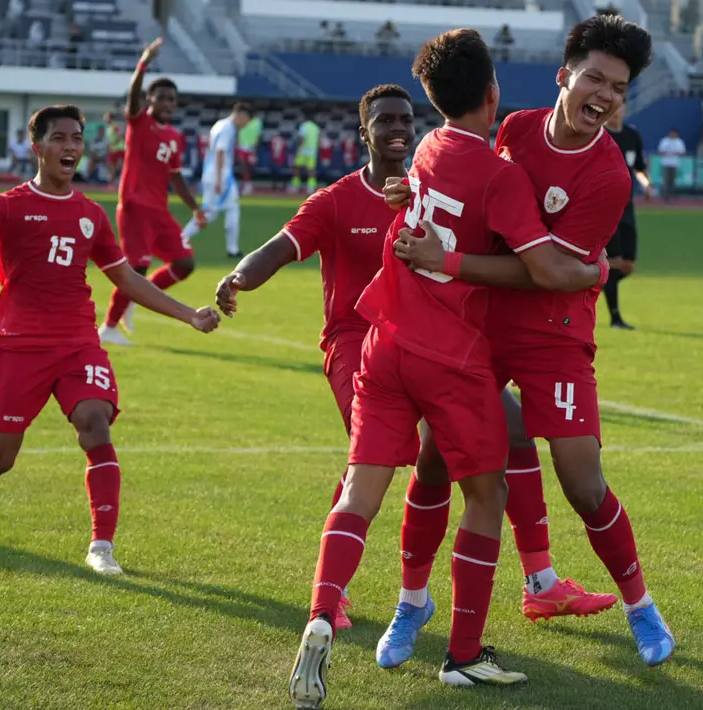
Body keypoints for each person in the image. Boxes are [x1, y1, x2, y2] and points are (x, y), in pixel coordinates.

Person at [288, 29, 607, 708]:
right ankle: (462, 655)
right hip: (451, 356)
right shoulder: (499, 174)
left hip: (384, 342)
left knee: (360, 493)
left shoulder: (426, 149)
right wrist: (593, 268)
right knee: (486, 497)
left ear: (430, 101)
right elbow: (543, 268)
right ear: (492, 93)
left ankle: (321, 611)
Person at [389, 15, 674, 669]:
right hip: (483, 327)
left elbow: (544, 276)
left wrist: (448, 261)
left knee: (583, 484)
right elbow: (477, 206)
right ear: (563, 76)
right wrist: (417, 198)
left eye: (618, 88)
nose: (603, 96)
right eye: (593, 78)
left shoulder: (607, 176)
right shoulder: (513, 131)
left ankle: (640, 607)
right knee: (433, 458)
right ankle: (411, 601)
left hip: (554, 334)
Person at [0, 104, 220, 575]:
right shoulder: (7, 206)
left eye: (76, 138)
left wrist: (188, 314)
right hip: (20, 345)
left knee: (95, 422)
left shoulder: (91, 216)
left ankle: (102, 547)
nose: (71, 147)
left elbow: (127, 279)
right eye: (59, 138)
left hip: (78, 342)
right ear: (37, 147)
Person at [214, 84, 416, 631]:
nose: (398, 127)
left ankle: (538, 577)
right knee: (371, 452)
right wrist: (239, 276)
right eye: (385, 120)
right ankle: (332, 596)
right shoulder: (335, 201)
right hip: (354, 343)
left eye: (406, 118)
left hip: (423, 342)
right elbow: (281, 246)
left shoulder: (431, 194)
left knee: (490, 444)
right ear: (363, 132)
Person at [100, 40, 208, 345]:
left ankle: (135, 297)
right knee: (136, 267)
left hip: (159, 210)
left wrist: (194, 208)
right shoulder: (139, 121)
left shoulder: (175, 137)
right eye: (161, 97)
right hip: (135, 206)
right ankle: (108, 327)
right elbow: (133, 97)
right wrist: (143, 64)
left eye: (171, 99)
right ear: (149, 100)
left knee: (185, 263)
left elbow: (176, 178)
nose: (167, 103)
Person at [180, 101, 251, 259]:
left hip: (213, 173)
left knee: (229, 208)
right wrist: (219, 179)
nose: (246, 124)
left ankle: (232, 249)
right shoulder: (228, 128)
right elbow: (220, 152)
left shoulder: (220, 125)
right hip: (221, 175)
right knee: (212, 212)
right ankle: (181, 239)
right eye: (247, 120)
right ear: (241, 115)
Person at [605, 101, 651, 330]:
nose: (616, 109)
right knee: (613, 262)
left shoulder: (632, 136)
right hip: (606, 208)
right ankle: (615, 318)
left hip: (627, 207)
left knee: (628, 264)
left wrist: (647, 184)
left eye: (620, 105)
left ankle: (590, 283)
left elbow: (640, 168)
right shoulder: (599, 136)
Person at [290, 113, 321, 194]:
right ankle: (310, 187)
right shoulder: (316, 127)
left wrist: (298, 149)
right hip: (312, 152)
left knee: (296, 167)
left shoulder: (304, 126)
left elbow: (302, 139)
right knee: (311, 169)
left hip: (303, 151)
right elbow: (318, 140)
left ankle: (295, 185)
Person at [656, 127, 685, 201]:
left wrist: (675, 153)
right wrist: (666, 152)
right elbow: (660, 151)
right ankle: (665, 196)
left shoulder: (679, 142)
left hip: (674, 163)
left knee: (673, 181)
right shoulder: (665, 141)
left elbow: (682, 152)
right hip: (666, 163)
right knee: (666, 180)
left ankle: (672, 195)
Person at [237, 112, 262, 194]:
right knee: (242, 165)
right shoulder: (241, 121)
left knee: (250, 166)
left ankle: (248, 182)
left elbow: (259, 135)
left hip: (251, 148)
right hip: (241, 147)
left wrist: (255, 147)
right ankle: (247, 183)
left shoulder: (257, 122)